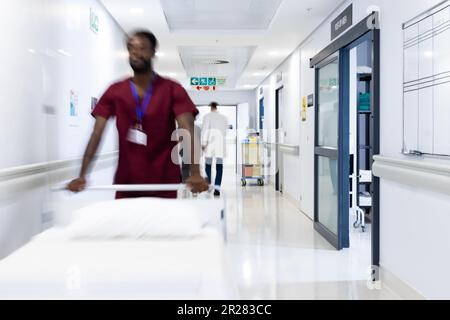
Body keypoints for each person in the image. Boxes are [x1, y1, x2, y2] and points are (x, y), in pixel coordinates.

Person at [67, 30, 209, 198]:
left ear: (152, 52)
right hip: (127, 181)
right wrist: (83, 175)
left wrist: (195, 172)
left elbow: (187, 131)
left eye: (142, 48)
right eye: (131, 48)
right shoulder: (115, 91)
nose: (135, 53)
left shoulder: (172, 89)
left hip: (164, 182)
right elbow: (97, 133)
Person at [201, 102, 228, 197]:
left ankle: (209, 186)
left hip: (210, 145)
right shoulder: (224, 118)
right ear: (216, 107)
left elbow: (205, 130)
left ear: (211, 107)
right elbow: (225, 132)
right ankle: (217, 188)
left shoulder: (207, 116)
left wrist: (203, 144)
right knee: (219, 166)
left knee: (208, 165)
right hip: (220, 145)